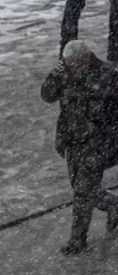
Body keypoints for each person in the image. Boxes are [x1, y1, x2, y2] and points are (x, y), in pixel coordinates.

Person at [40, 40, 118, 254]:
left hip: (98, 143)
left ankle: (78, 240)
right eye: (68, 62)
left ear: (85, 58)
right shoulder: (63, 73)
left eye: (74, 62)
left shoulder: (108, 74)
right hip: (72, 141)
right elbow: (47, 96)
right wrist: (53, 76)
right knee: (81, 187)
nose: (71, 66)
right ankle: (112, 204)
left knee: (83, 191)